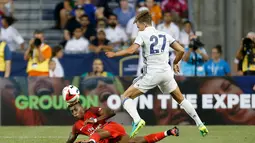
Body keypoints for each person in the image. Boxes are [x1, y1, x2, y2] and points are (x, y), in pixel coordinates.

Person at [106, 10, 208, 137]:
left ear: (143, 24)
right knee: (180, 99)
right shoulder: (165, 35)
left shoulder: (142, 34)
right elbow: (181, 50)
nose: (137, 28)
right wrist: (175, 62)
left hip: (152, 74)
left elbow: (132, 50)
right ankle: (200, 124)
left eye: (138, 25)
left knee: (125, 97)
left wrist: (115, 54)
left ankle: (137, 120)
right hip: (166, 73)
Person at [65, 100, 179, 143]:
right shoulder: (76, 126)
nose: (74, 113)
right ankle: (169, 132)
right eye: (72, 112)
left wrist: (95, 119)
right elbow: (71, 138)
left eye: (76, 109)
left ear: (82, 107)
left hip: (111, 128)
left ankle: (91, 142)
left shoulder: (91, 110)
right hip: (105, 140)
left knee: (97, 132)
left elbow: (111, 112)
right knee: (134, 142)